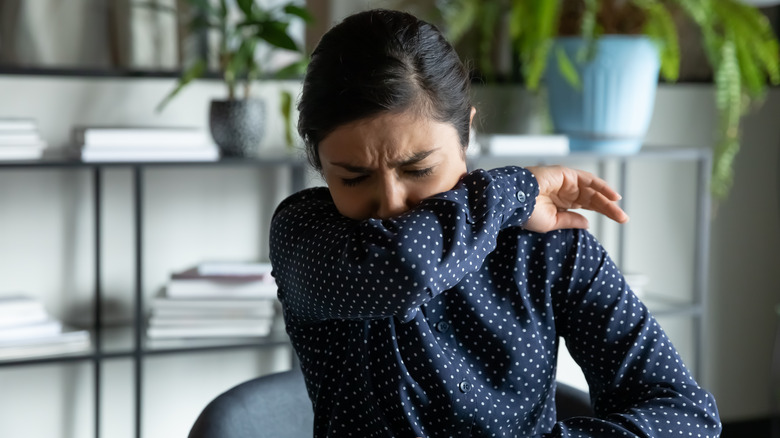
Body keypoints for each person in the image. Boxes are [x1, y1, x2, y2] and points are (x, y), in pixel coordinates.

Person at [270, 9, 721, 438]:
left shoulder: (547, 246)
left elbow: (685, 413)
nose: (391, 204)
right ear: (319, 162)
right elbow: (405, 268)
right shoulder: (305, 234)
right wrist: (519, 188)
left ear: (466, 133)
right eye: (354, 177)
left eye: (418, 170)